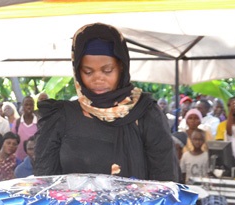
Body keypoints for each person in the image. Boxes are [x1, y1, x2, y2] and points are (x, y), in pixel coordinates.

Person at [34, 23, 178, 181]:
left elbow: (165, 182)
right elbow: (45, 184)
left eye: (107, 70)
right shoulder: (59, 117)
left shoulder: (145, 114)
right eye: (88, 71)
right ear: (77, 70)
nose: (98, 78)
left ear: (121, 67)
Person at [13, 96, 38, 161]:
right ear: (22, 106)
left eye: (31, 105)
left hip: (35, 159)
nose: (29, 107)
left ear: (34, 106)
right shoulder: (17, 122)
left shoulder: (39, 123)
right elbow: (13, 139)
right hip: (19, 159)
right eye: (26, 105)